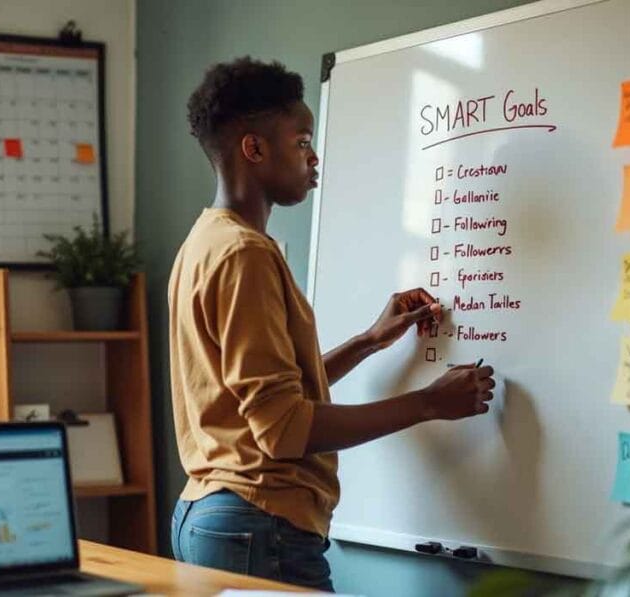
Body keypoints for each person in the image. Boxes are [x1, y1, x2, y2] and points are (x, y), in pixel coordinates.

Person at [168, 56, 496, 591]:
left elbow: (260, 401)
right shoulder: (244, 255)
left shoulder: (205, 243)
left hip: (215, 517)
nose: (314, 158)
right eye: (301, 142)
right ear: (254, 148)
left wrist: (368, 342)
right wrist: (428, 403)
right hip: (259, 522)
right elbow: (283, 431)